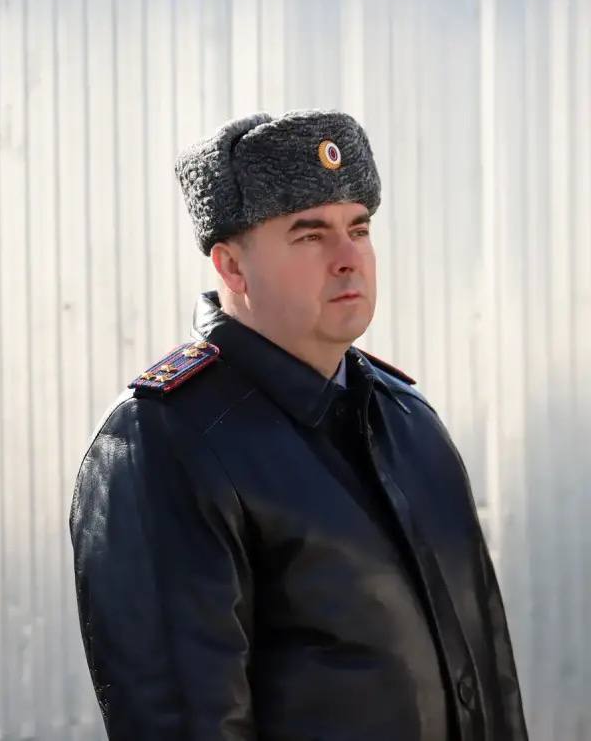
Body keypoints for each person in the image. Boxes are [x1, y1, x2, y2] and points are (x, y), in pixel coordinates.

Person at [69, 110, 527, 740]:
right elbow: (184, 721)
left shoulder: (408, 419)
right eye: (310, 235)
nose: (348, 259)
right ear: (232, 268)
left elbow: (488, 677)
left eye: (358, 229)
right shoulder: (162, 440)